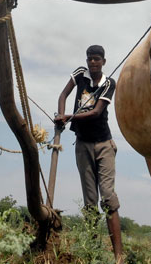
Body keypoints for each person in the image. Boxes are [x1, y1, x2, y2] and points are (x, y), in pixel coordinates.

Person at [54, 44, 123, 263]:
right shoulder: (80, 74)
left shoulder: (108, 84)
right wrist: (60, 114)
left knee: (109, 199)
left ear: (104, 61)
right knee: (90, 202)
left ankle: (118, 256)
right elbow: (64, 94)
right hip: (82, 145)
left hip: (103, 145)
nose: (92, 63)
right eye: (89, 59)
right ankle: (92, 252)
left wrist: (69, 118)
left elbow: (96, 112)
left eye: (96, 59)